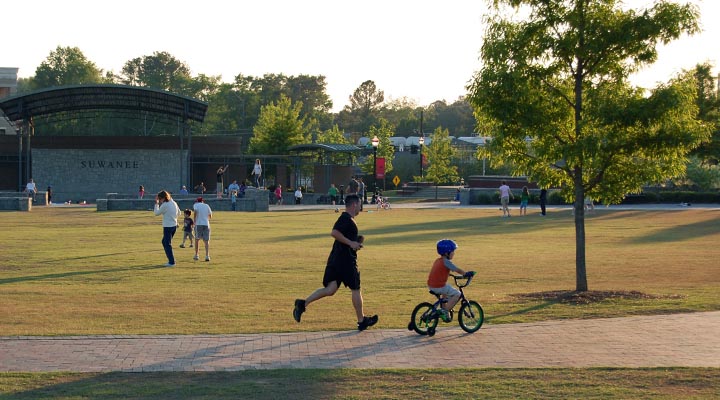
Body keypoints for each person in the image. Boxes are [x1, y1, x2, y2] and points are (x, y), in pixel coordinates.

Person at [293, 195, 379, 331]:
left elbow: (342, 236)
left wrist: (356, 242)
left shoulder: (348, 220)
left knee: (330, 289)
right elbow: (334, 233)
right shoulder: (346, 218)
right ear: (354, 205)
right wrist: (351, 243)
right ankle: (362, 321)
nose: (361, 206)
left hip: (336, 259)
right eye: (360, 203)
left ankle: (303, 304)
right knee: (356, 288)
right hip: (346, 261)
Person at [427, 239, 472, 322]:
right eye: (453, 251)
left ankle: (443, 307)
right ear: (447, 253)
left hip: (432, 285)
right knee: (457, 295)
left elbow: (440, 271)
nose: (454, 253)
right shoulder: (446, 262)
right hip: (439, 286)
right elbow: (457, 269)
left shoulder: (438, 260)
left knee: (445, 291)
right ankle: (444, 311)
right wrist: (465, 274)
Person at [153, 190, 181, 267]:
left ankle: (171, 262)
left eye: (160, 199)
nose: (160, 201)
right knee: (164, 242)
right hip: (174, 226)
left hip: (168, 227)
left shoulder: (165, 205)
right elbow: (179, 213)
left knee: (167, 244)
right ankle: (171, 259)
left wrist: (156, 204)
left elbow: (156, 213)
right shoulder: (174, 203)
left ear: (163, 198)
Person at [193, 197, 212, 262]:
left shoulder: (196, 205)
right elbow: (210, 215)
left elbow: (195, 212)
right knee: (206, 241)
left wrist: (194, 221)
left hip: (198, 224)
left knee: (197, 239)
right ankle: (207, 255)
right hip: (206, 224)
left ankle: (196, 255)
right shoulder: (206, 205)